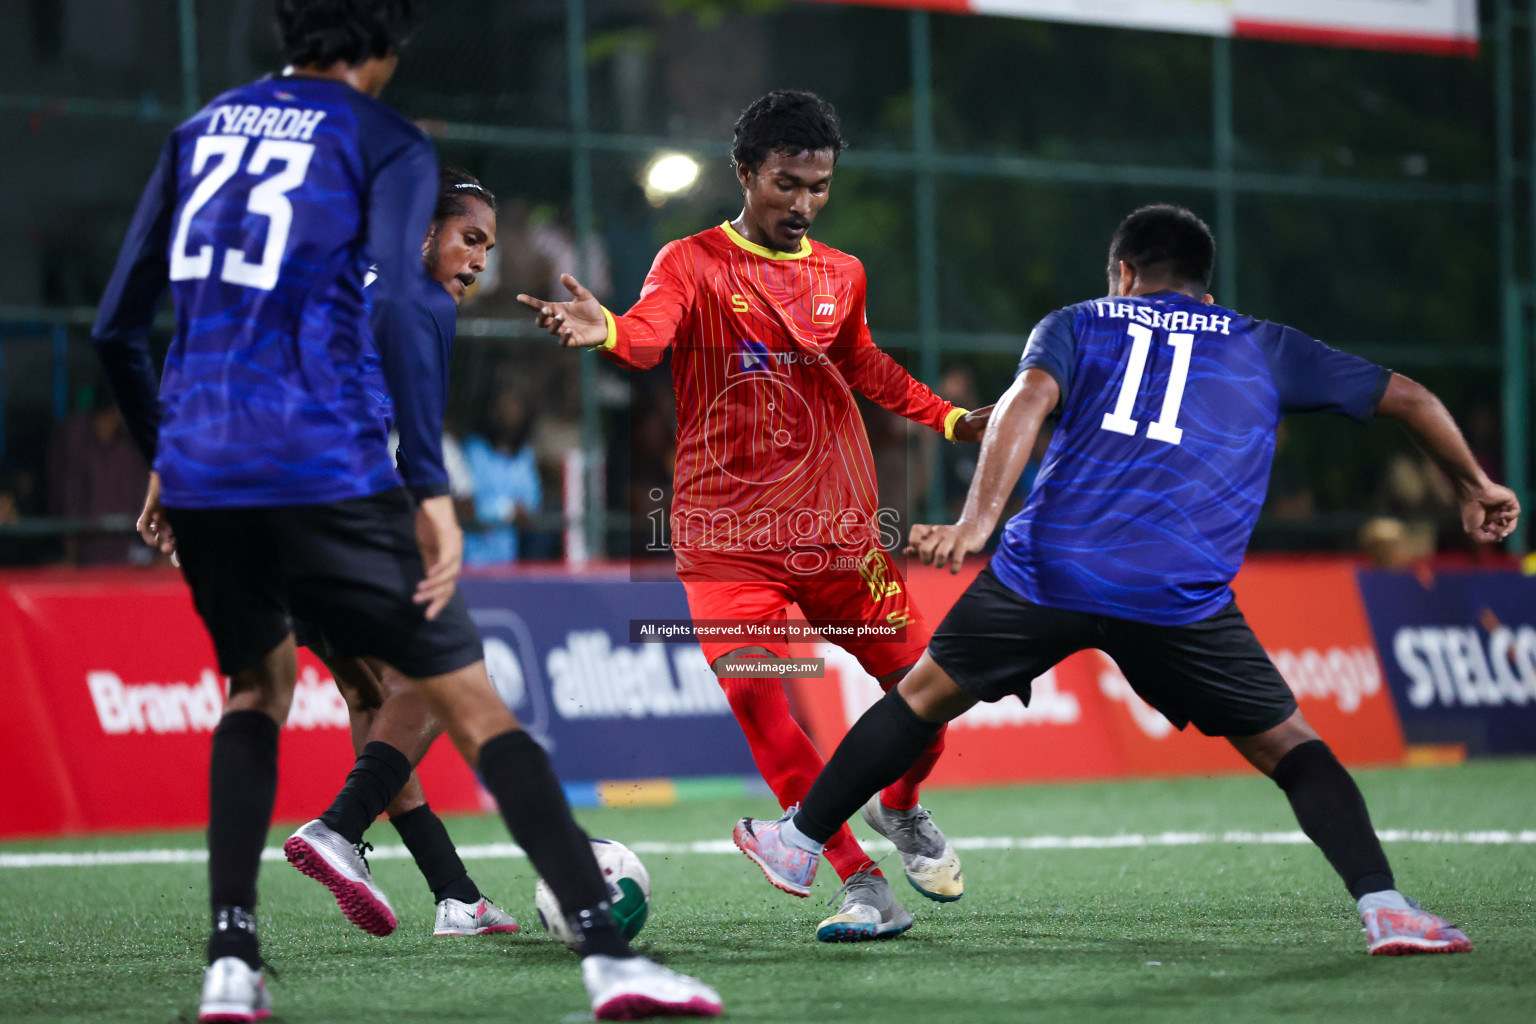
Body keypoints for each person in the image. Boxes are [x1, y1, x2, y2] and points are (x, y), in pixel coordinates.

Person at [90, 2, 721, 1020]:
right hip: (327, 465)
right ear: (384, 48)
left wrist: (168, 452)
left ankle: (232, 967)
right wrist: (431, 489)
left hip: (207, 461)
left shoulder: (198, 132)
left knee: (255, 692)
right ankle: (612, 959)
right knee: (468, 697)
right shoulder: (383, 141)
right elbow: (393, 306)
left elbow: (118, 325)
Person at [734, 204, 1517, 956]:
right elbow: (1409, 397)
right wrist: (1475, 487)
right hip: (1177, 595)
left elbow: (1024, 403)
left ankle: (797, 842)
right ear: (1204, 288)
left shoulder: (1077, 321)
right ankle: (1385, 909)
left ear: (1124, 272)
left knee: (923, 696)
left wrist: (976, 522)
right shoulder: (1261, 342)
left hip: (1047, 570)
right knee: (1290, 747)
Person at [519, 89, 990, 943]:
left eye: (819, 186)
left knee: (930, 693)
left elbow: (866, 366)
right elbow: (650, 336)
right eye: (786, 184)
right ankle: (860, 881)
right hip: (726, 540)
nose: (803, 203)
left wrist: (952, 419)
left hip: (840, 536)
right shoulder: (690, 261)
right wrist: (609, 330)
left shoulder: (840, 274)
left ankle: (904, 806)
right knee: (757, 691)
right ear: (745, 174)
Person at [285, 167, 518, 940]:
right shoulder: (424, 305)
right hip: (341, 503)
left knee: (371, 693)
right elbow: (419, 438)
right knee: (445, 671)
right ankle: (338, 826)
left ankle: (455, 894)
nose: (479, 261)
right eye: (469, 238)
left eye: (488, 245)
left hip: (260, 508)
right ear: (424, 233)